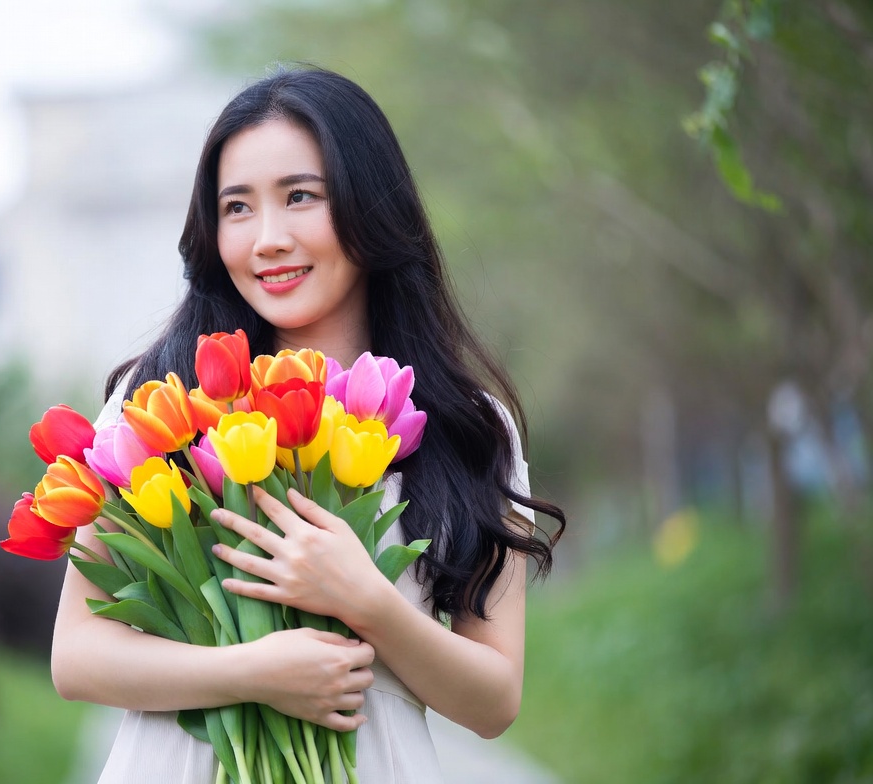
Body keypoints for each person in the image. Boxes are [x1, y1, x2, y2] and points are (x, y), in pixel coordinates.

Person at [51, 65, 566, 783]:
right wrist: (250, 670)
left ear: (369, 204)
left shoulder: (467, 426)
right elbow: (76, 657)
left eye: (300, 197)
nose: (267, 239)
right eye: (237, 207)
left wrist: (369, 602)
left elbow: (493, 702)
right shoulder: (164, 401)